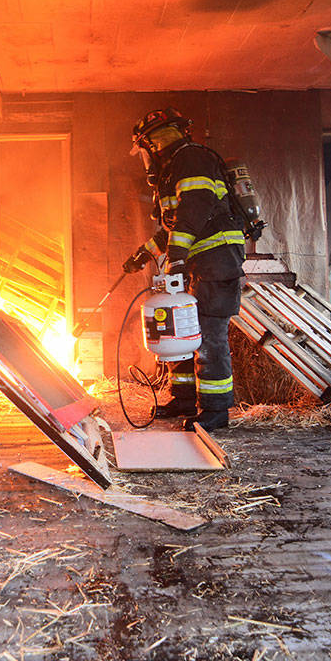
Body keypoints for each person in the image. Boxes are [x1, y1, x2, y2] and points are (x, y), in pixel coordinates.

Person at [123, 108, 245, 430]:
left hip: (217, 261)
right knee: (178, 331)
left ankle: (216, 412)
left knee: (208, 337)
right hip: (198, 262)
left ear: (153, 143)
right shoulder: (173, 169)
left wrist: (176, 253)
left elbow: (197, 207)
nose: (147, 157)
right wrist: (144, 254)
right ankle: (184, 399)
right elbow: (173, 227)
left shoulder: (190, 159)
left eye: (146, 149)